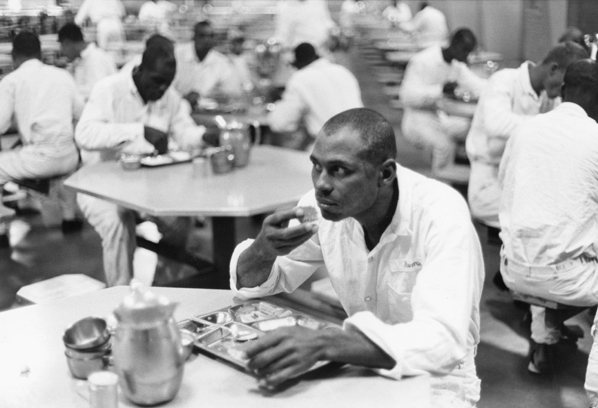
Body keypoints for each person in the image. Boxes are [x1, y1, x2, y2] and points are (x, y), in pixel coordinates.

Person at [230, 108, 485, 407]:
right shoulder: (321, 207)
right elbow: (255, 285)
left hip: (438, 380)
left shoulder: (440, 215)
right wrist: (262, 250)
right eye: (317, 166)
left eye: (339, 170)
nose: (321, 184)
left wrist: (324, 343)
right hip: (358, 364)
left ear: (385, 174)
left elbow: (443, 342)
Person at [497, 60, 598, 388]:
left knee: (549, 228)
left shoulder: (525, 129)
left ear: (563, 91)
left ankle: (544, 341)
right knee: (569, 241)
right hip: (568, 280)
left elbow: (505, 188)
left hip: (513, 269)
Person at [75, 41, 207, 287]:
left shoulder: (169, 97)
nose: (161, 88)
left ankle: (165, 286)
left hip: (149, 187)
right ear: (140, 69)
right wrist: (139, 131)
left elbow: (184, 132)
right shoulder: (109, 90)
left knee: (180, 222)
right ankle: (120, 293)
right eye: (157, 81)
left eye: (167, 83)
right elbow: (84, 134)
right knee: (118, 224)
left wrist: (204, 136)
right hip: (101, 186)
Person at [465, 41, 588, 228]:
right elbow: (495, 123)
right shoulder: (504, 80)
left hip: (523, 180)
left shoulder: (550, 98)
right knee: (549, 216)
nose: (564, 92)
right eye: (565, 84)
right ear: (553, 69)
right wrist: (545, 126)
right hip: (489, 182)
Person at [0, 31, 84, 245]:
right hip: (69, 157)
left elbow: (0, 124)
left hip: (39, 160)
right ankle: (69, 218)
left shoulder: (11, 81)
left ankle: (1, 228)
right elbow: (81, 114)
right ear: (40, 54)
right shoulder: (62, 75)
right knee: (64, 167)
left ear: (14, 57)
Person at [399, 28, 485, 178]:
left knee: (471, 128)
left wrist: (503, 86)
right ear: (454, 44)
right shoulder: (423, 60)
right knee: (445, 145)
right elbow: (406, 97)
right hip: (416, 119)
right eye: (465, 51)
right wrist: (440, 90)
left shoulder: (456, 65)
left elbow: (477, 85)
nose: (467, 57)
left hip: (439, 117)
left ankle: (463, 172)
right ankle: (441, 177)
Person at [267, 43, 363, 150]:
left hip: (330, 148)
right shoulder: (342, 71)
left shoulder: (300, 78)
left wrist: (275, 108)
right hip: (360, 143)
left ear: (298, 64)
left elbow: (279, 123)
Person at [173, 20, 245, 109]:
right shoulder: (176, 55)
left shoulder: (221, 62)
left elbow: (232, 91)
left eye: (210, 36)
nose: (206, 40)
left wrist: (217, 95)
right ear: (194, 36)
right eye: (202, 36)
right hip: (174, 109)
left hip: (206, 112)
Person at [58, 22, 117, 100]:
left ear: (67, 43)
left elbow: (97, 93)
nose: (62, 51)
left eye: (62, 46)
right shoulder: (81, 60)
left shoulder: (95, 59)